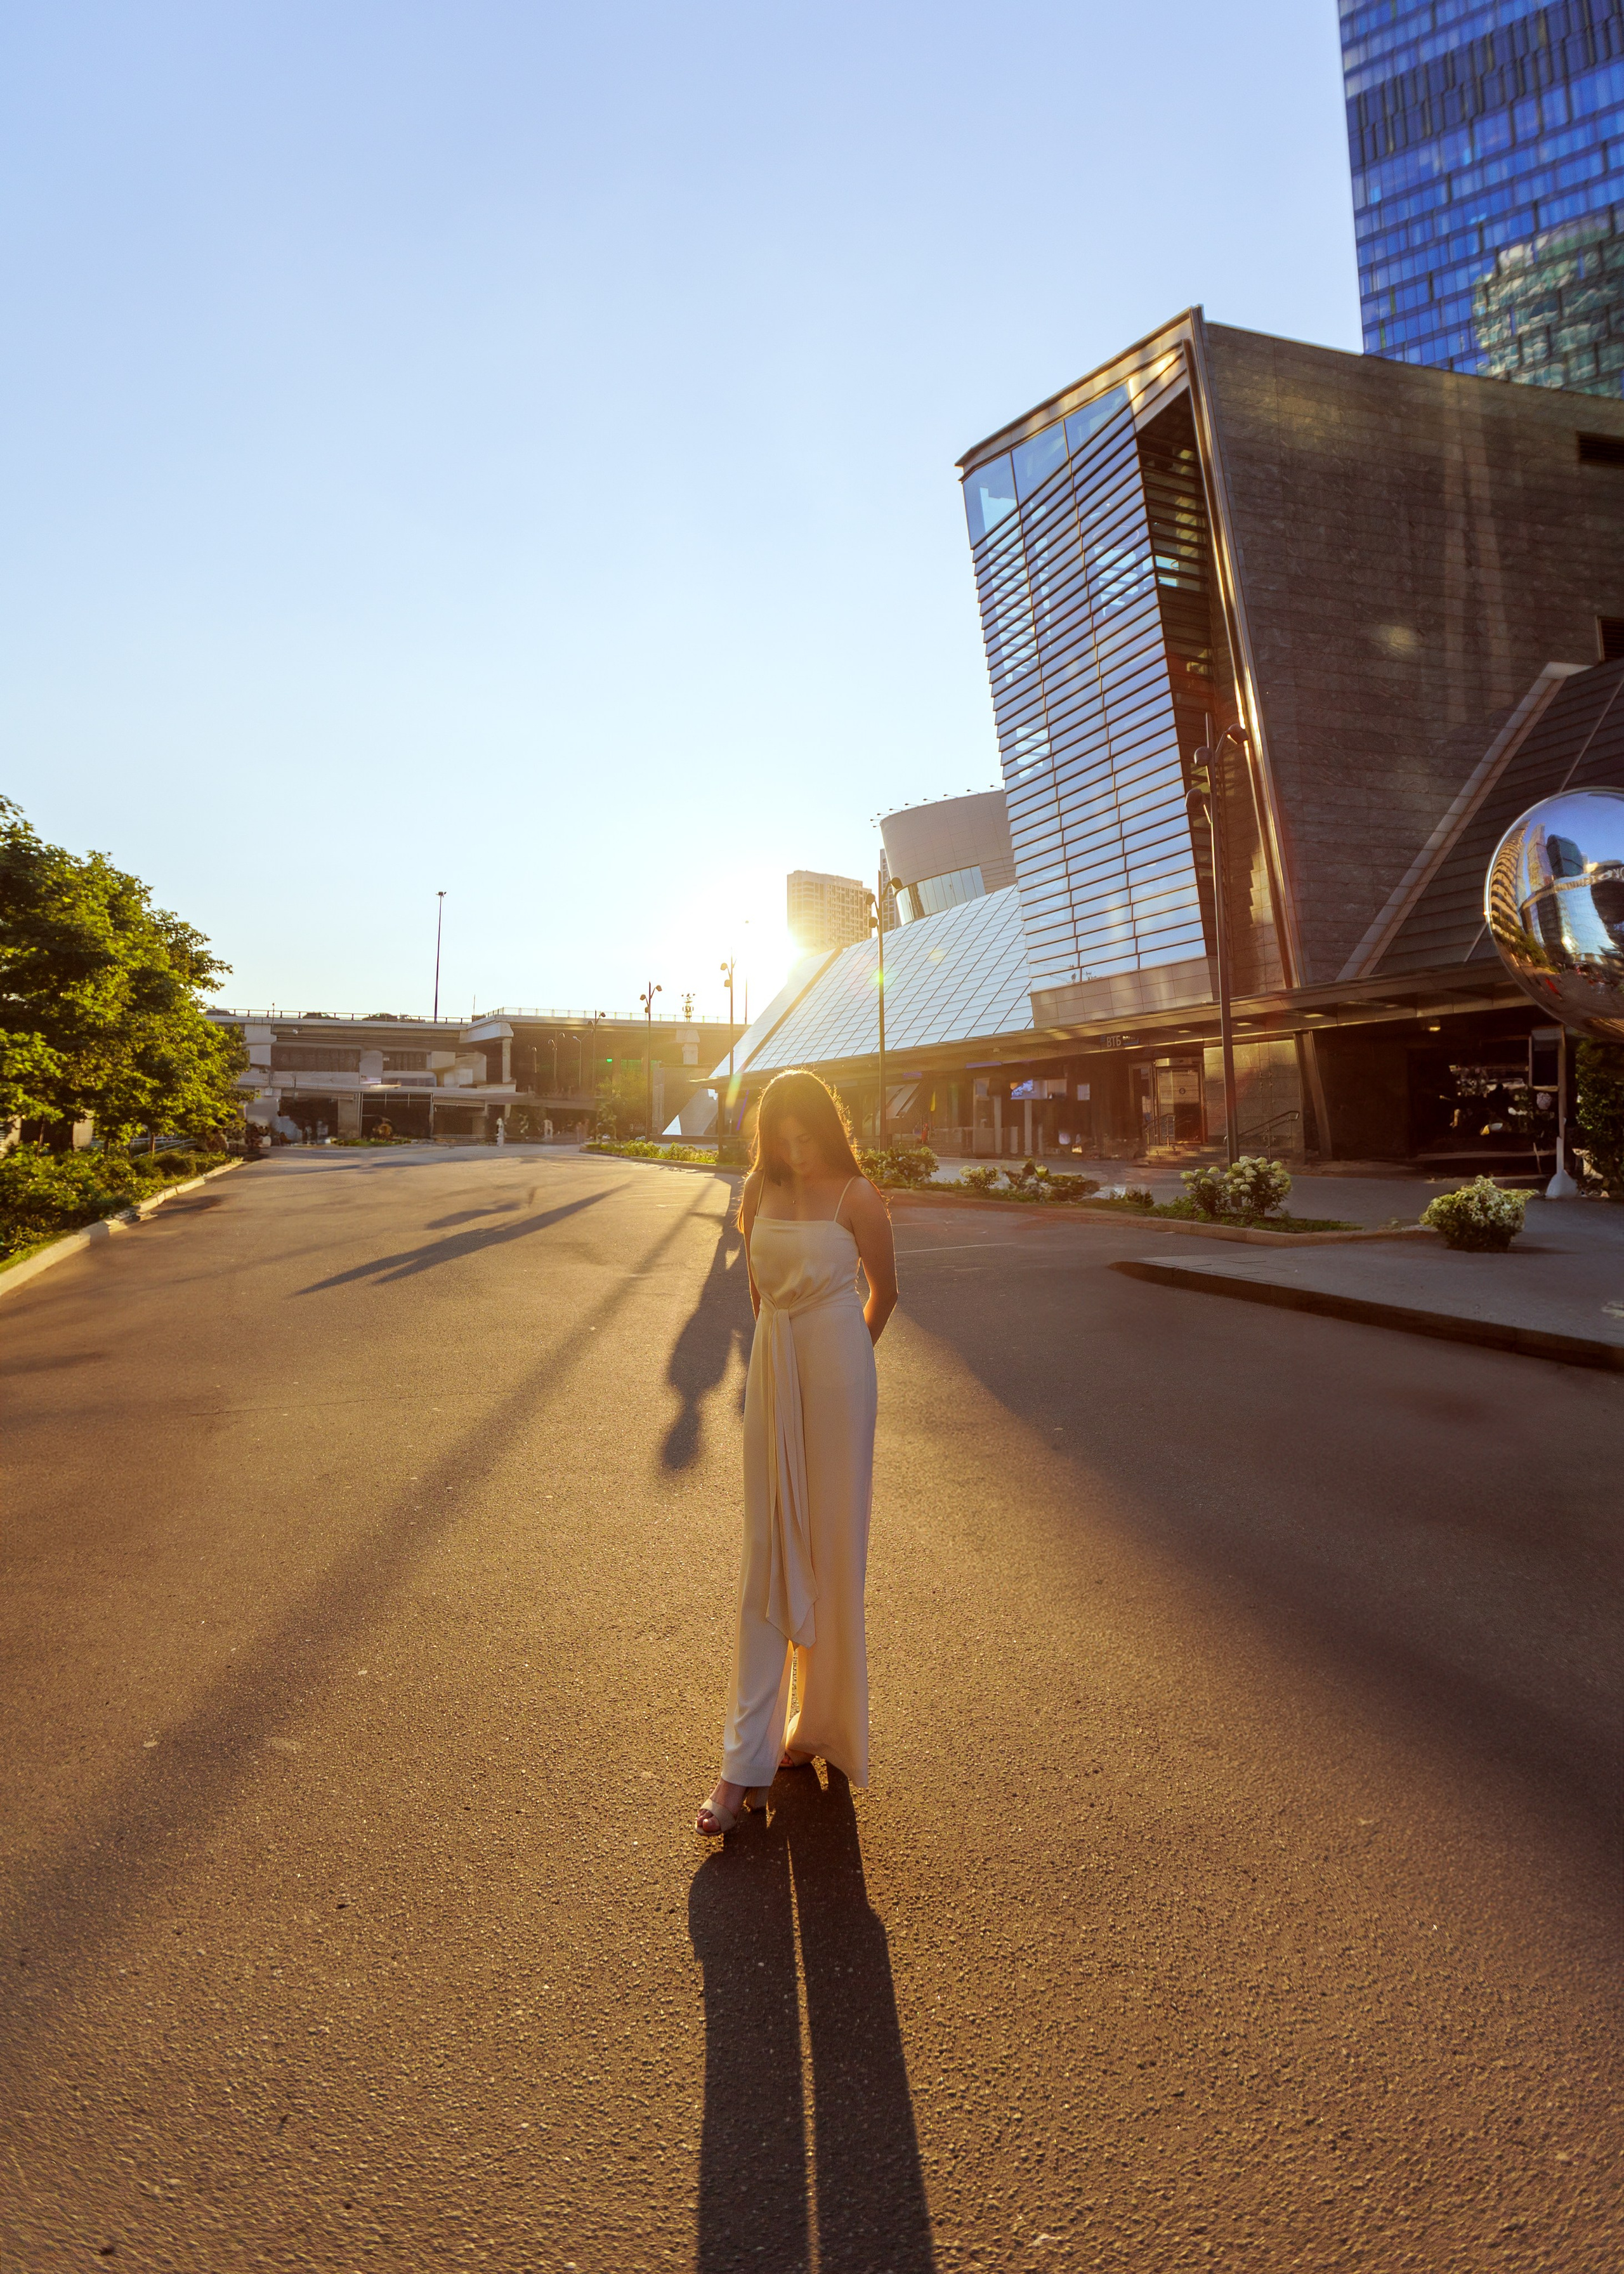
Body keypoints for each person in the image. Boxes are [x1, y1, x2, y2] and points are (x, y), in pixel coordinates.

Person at [696, 1069, 898, 1836]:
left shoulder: (858, 1197)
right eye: (780, 1139)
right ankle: (741, 1762)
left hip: (841, 1379)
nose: (793, 1150)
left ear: (826, 1126)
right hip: (774, 1373)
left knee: (834, 1552)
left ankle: (818, 1728)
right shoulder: (757, 1191)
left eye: (804, 1135)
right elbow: (755, 1290)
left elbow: (885, 1289)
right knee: (767, 1552)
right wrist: (788, 1358)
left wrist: (846, 1361)